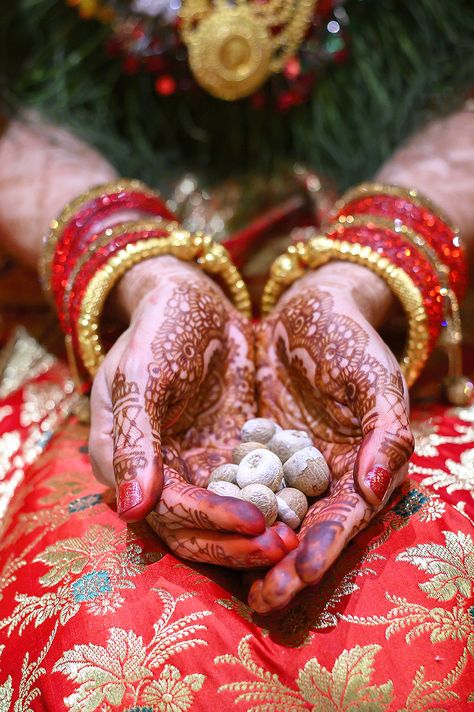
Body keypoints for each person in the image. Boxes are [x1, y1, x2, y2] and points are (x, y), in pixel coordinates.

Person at [0, 2, 472, 709]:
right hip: (59, 257)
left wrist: (366, 268)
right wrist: (137, 265)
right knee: (97, 638)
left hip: (427, 253)